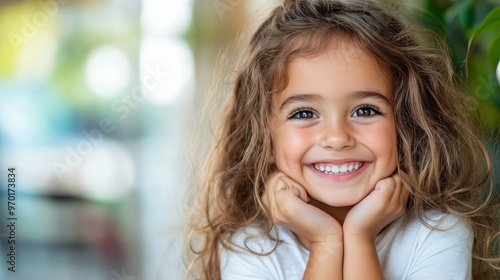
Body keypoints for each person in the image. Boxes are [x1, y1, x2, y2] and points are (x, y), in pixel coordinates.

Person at [186, 0, 500, 279]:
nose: (337, 138)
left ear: (408, 124)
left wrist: (359, 238)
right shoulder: (251, 246)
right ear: (264, 138)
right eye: (304, 114)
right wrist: (326, 242)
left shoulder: (438, 233)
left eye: (365, 110)